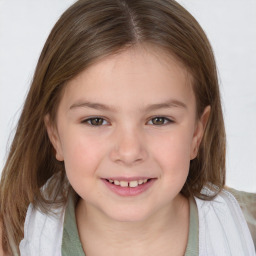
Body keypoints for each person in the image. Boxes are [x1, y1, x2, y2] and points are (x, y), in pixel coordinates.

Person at [0, 0, 255, 255]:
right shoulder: (11, 239)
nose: (130, 151)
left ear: (197, 133)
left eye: (159, 120)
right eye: (96, 120)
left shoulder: (248, 230)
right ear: (54, 134)